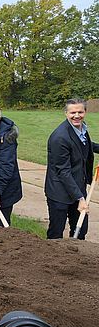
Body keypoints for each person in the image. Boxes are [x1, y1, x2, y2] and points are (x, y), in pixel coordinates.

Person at [45, 98, 99, 240]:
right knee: (56, 232)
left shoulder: (81, 128)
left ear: (85, 112)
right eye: (72, 112)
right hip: (60, 192)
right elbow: (63, 171)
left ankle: (77, 260)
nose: (77, 115)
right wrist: (80, 198)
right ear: (66, 113)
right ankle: (53, 260)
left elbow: (84, 145)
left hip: (77, 186)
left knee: (80, 231)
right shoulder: (60, 137)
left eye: (80, 112)